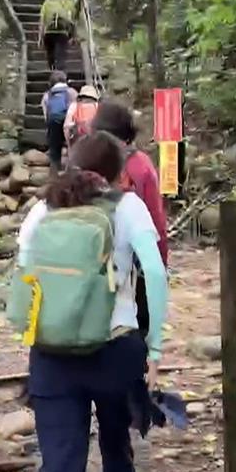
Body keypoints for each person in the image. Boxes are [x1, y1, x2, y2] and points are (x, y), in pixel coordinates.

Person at [15, 131, 169, 472]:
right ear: (118, 173)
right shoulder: (128, 207)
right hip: (115, 348)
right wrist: (155, 347)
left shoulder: (43, 208)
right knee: (117, 447)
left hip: (52, 353)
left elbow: (24, 273)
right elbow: (157, 273)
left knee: (62, 465)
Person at [92, 100, 169, 337]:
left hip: (90, 261)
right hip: (134, 262)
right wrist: (160, 264)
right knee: (136, 328)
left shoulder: (86, 159)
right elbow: (156, 220)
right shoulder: (141, 165)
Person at [41, 71, 77, 174]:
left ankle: (54, 176)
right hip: (69, 125)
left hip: (53, 124)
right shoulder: (72, 92)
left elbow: (46, 115)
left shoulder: (47, 95)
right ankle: (72, 175)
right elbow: (76, 110)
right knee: (73, 150)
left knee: (54, 153)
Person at [38, 0, 76, 71]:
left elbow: (42, 21)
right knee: (61, 56)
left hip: (48, 33)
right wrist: (72, 36)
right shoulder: (68, 3)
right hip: (62, 33)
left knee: (50, 55)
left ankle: (52, 72)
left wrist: (40, 38)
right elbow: (72, 20)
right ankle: (60, 75)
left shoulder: (47, 2)